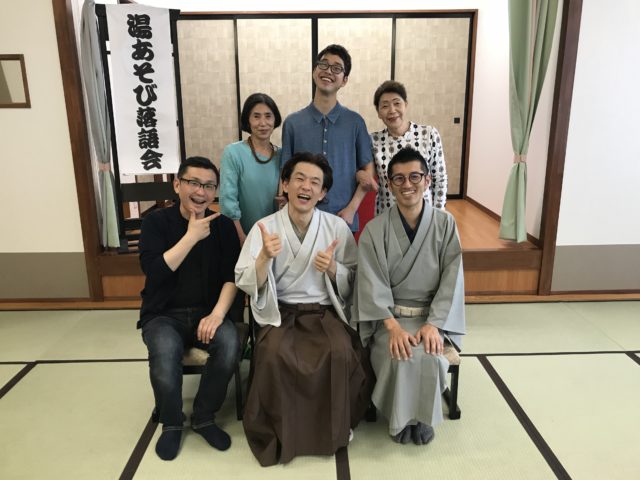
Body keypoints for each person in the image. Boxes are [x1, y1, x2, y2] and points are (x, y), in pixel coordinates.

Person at [235, 152, 373, 466]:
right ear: (285, 184)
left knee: (341, 352)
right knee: (273, 354)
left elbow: (355, 279)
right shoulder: (264, 227)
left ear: (322, 193)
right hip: (281, 312)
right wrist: (263, 258)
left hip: (324, 312)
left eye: (315, 182)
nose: (306, 187)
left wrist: (334, 269)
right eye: (299, 178)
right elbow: (244, 280)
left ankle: (334, 427)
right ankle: (283, 429)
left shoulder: (336, 227)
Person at [352, 147, 465, 445]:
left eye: (415, 177)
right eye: (399, 178)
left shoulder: (445, 224)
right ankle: (400, 420)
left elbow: (452, 278)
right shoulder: (375, 230)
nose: (407, 184)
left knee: (429, 357)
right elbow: (370, 282)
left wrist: (435, 324)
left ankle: (423, 418)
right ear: (389, 185)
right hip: (389, 319)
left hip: (431, 318)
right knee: (400, 356)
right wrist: (392, 327)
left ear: (427, 180)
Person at [138, 156, 240, 460]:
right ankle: (171, 422)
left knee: (230, 345)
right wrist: (191, 237)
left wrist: (217, 314)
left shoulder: (222, 226)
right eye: (194, 183)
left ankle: (204, 416)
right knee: (164, 353)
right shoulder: (156, 222)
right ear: (177, 184)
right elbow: (154, 271)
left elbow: (232, 276)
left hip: (207, 313)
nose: (201, 191)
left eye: (209, 186)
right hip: (163, 315)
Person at [281, 44, 377, 232]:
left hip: (342, 217)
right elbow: (285, 172)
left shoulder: (355, 122)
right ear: (314, 71)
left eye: (337, 68)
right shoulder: (293, 123)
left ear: (344, 80)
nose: (328, 71)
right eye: (323, 64)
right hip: (300, 217)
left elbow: (368, 170)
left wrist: (352, 209)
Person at [370, 80, 448, 214]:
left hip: (424, 215)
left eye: (397, 103)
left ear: (405, 105)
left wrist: (438, 214)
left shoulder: (428, 134)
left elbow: (440, 179)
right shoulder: (373, 141)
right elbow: (367, 173)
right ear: (378, 112)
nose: (392, 110)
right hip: (387, 215)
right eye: (385, 106)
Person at [220, 93, 283, 246]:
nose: (263, 123)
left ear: (275, 119)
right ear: (247, 120)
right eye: (256, 116)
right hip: (242, 233)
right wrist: (241, 237)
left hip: (276, 236)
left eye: (268, 116)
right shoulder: (233, 152)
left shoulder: (282, 154)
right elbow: (228, 201)